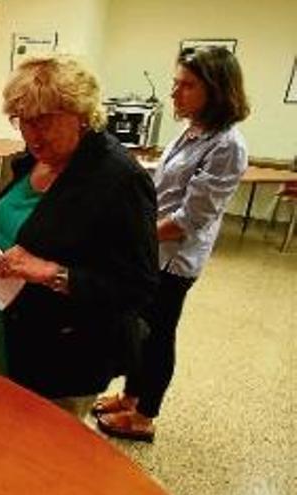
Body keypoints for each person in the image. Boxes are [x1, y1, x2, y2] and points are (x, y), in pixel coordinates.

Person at [0, 55, 158, 419]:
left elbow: (138, 286)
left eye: (43, 120)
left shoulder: (119, 179)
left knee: (43, 462)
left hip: (66, 352)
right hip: (11, 327)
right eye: (22, 120)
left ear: (81, 113)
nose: (31, 133)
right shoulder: (37, 157)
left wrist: (52, 272)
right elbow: (48, 218)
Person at [95, 47, 250, 441]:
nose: (175, 93)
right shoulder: (193, 128)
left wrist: (134, 236)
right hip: (152, 248)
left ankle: (145, 416)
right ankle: (130, 397)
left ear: (216, 89)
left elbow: (189, 220)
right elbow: (168, 187)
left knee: (159, 333)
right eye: (175, 83)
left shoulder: (227, 145)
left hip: (174, 259)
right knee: (139, 326)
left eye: (187, 85)